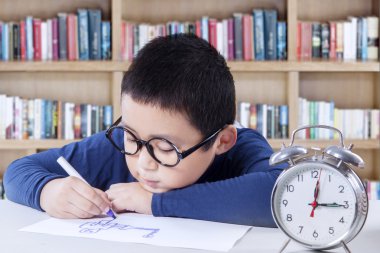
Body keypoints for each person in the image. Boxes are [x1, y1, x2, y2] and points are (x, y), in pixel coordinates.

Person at [4, 34, 286, 227]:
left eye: (165, 149)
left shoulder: (241, 149)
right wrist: (48, 191)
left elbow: (278, 194)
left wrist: (152, 202)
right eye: (131, 138)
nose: (143, 163)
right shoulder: (120, 145)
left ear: (221, 140)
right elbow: (18, 173)